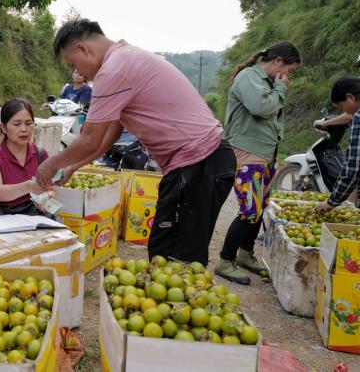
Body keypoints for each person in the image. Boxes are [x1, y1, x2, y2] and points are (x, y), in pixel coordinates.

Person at [36, 19, 236, 265]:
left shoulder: (112, 71)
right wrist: (71, 167)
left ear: (83, 49)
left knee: (175, 259)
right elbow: (107, 138)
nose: (80, 74)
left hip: (198, 165)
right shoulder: (126, 59)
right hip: (205, 162)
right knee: (170, 253)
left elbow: (89, 139)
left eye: (73, 64)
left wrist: (50, 164)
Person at [215, 42, 301, 285]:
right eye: (288, 70)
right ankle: (224, 261)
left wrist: (277, 88)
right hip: (247, 154)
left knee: (259, 207)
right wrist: (281, 89)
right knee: (249, 211)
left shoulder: (267, 82)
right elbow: (261, 107)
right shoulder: (248, 77)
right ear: (278, 62)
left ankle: (245, 253)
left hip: (265, 155)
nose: (287, 76)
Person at [0, 98, 51, 216]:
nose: (24, 129)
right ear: (3, 128)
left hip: (34, 218)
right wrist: (29, 186)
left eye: (28, 123)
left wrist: (47, 197)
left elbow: (50, 188)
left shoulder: (40, 154)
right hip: (1, 220)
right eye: (17, 124)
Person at [316, 77, 360, 214]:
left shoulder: (358, 118)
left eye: (341, 107)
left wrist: (332, 201)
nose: (346, 112)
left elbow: (353, 168)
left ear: (350, 97)